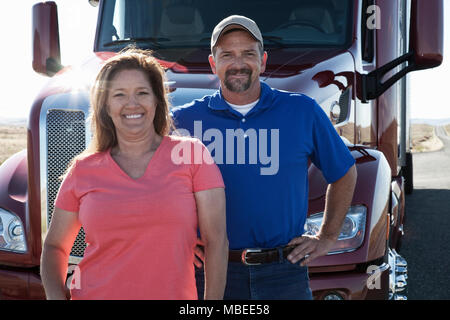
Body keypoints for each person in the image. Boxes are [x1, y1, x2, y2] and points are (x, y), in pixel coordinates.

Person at [171, 15, 357, 300]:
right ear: (213, 64)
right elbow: (155, 187)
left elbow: (344, 172)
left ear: (263, 60)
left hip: (284, 272)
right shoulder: (184, 120)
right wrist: (177, 238)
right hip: (210, 273)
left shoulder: (301, 112)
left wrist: (327, 236)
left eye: (248, 53)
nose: (238, 63)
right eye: (227, 55)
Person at [40, 49, 228, 300]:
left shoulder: (192, 155)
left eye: (142, 93)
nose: (132, 103)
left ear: (156, 100)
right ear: (106, 105)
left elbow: (216, 241)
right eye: (119, 95)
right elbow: (55, 247)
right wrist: (55, 296)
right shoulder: (83, 169)